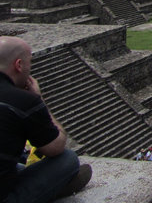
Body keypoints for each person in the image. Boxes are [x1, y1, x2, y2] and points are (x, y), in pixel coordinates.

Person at [0, 35, 92, 203]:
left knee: (18, 165)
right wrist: (39, 100)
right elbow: (55, 147)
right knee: (68, 159)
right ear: (19, 65)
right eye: (30, 63)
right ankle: (54, 189)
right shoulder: (22, 101)